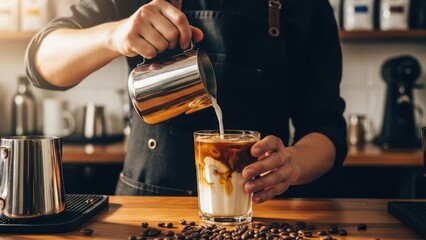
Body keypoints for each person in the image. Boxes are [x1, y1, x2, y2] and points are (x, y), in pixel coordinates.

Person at [25, 0, 348, 203]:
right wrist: (115, 35)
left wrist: (292, 164)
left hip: (259, 212)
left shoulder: (307, 6)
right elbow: (42, 63)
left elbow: (327, 130)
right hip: (145, 208)